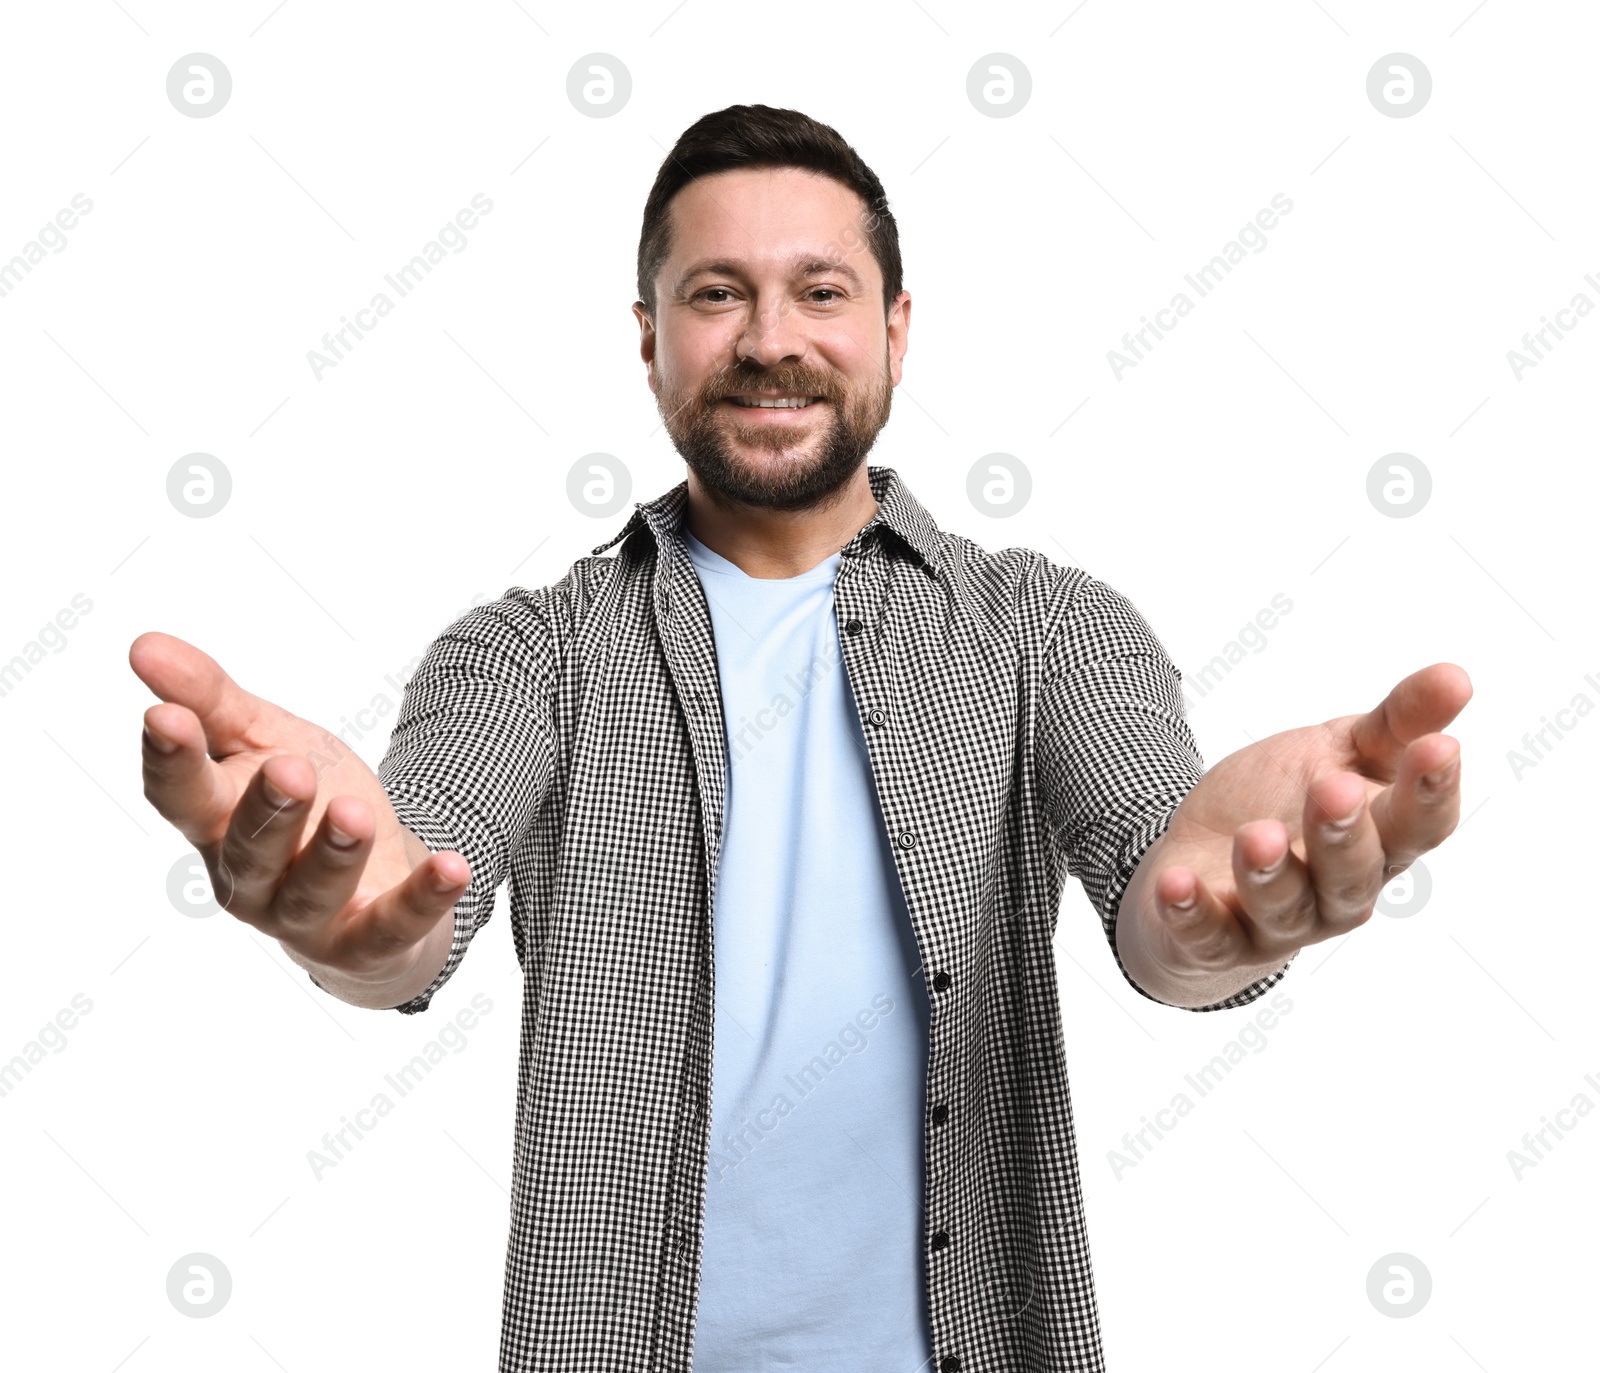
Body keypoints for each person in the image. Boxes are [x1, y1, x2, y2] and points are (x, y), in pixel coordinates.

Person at [130, 105, 1470, 1372]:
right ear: (648, 338)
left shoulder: (1047, 629)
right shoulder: (527, 652)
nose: (772, 337)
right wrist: (354, 925)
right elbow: (419, 884)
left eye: (821, 291)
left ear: (896, 329)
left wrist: (1217, 922)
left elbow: (1159, 878)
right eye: (717, 294)